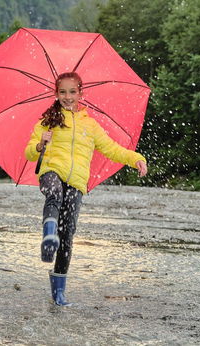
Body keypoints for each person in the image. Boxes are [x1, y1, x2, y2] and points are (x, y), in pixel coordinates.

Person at [24, 72, 148, 306]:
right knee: (53, 194)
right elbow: (29, 151)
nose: (67, 97)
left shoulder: (90, 126)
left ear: (81, 94)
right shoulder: (47, 121)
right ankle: (48, 233)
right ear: (56, 93)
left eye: (72, 92)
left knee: (68, 234)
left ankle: (59, 291)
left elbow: (113, 149)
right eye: (62, 92)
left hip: (77, 181)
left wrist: (136, 158)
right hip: (51, 171)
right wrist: (41, 144)